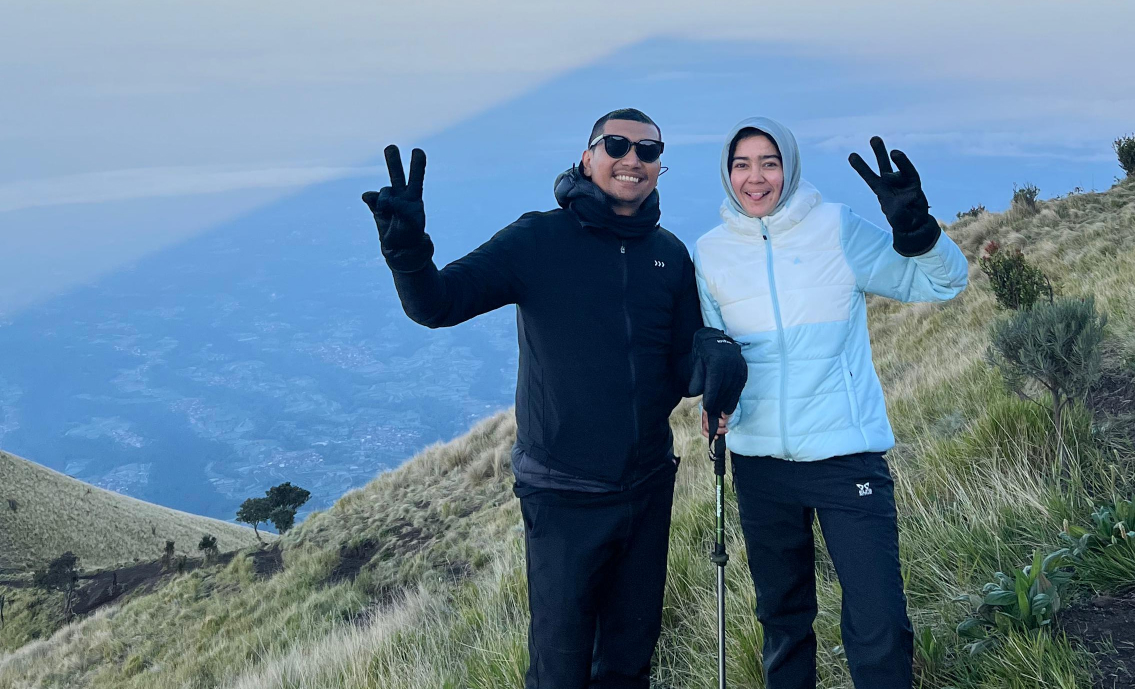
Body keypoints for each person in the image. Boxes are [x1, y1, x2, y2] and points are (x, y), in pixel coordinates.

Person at [361, 108, 747, 689]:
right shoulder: (538, 239)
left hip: (646, 488)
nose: (631, 159)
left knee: (629, 660)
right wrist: (409, 255)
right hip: (563, 495)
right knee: (559, 668)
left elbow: (681, 370)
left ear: (659, 168)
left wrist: (716, 352)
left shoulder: (667, 255)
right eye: (615, 144)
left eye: (647, 150)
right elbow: (437, 305)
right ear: (587, 157)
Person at [692, 118, 968, 689]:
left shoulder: (836, 228)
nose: (755, 177)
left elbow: (943, 284)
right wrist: (719, 402)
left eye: (768, 162)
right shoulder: (711, 253)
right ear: (726, 172)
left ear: (788, 166)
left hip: (846, 459)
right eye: (741, 164)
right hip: (761, 465)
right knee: (783, 622)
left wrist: (920, 233)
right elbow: (719, 354)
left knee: (878, 622)